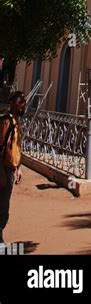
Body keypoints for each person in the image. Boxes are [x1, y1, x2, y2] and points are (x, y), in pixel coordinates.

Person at [0, 91, 26, 244]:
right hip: (3, 168)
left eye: (23, 102)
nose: (22, 104)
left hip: (11, 168)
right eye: (19, 101)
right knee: (2, 206)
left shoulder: (16, 122)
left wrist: (19, 167)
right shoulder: (6, 122)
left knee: (4, 205)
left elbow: (17, 147)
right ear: (11, 103)